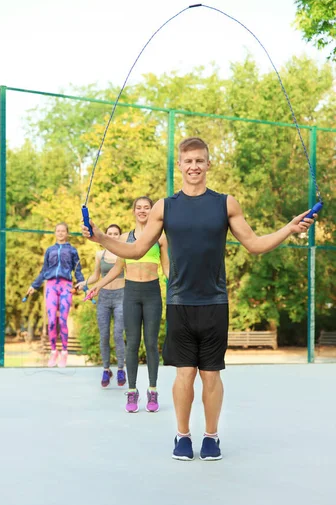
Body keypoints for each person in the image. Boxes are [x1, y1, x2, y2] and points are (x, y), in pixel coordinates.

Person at [82, 137, 317, 460]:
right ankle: (182, 436)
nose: (194, 166)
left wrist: (288, 229)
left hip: (214, 303)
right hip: (179, 302)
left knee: (211, 374)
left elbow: (255, 244)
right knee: (184, 374)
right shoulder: (165, 207)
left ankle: (211, 437)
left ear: (208, 164)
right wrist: (99, 237)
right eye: (188, 161)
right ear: (179, 165)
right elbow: (136, 250)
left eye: (199, 161)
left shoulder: (225, 204)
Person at [86, 197, 169, 413]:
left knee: (151, 343)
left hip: (152, 293)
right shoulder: (123, 238)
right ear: (133, 211)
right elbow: (116, 269)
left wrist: (179, 287)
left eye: (147, 208)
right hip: (130, 293)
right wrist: (98, 286)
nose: (142, 211)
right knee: (132, 343)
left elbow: (168, 269)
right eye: (139, 208)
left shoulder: (160, 238)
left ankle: (152, 390)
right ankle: (132, 392)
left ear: (152, 211)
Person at [27, 222, 85, 368]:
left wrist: (82, 284)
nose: (60, 233)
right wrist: (34, 285)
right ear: (55, 233)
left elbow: (77, 270)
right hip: (51, 285)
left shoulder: (72, 250)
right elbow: (44, 270)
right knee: (52, 320)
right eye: (58, 231)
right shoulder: (50, 250)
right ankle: (54, 352)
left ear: (67, 233)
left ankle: (64, 352)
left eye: (63, 231)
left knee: (63, 320)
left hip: (66, 286)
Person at [76, 224, 127, 388]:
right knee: (104, 335)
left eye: (116, 233)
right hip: (104, 298)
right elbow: (96, 276)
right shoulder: (100, 254)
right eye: (110, 233)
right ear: (106, 235)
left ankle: (120, 368)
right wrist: (83, 283)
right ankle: (106, 369)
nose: (112, 236)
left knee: (118, 334)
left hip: (122, 296)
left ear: (120, 236)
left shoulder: (125, 252)